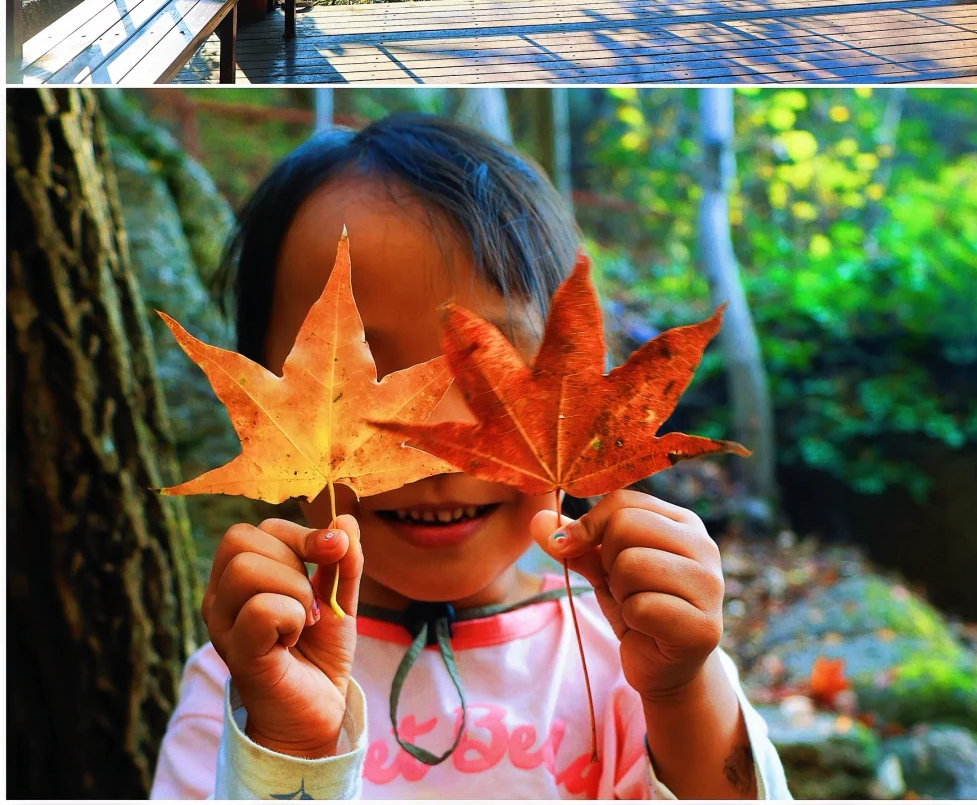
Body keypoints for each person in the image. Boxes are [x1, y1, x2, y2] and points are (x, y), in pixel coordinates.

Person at [151, 114, 790, 801]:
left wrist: (684, 692)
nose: (439, 445)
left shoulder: (631, 658)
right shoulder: (244, 683)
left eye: (491, 368)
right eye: (360, 375)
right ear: (260, 411)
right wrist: (287, 749)